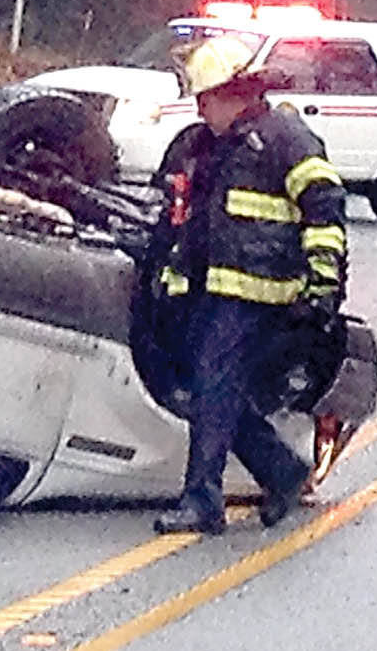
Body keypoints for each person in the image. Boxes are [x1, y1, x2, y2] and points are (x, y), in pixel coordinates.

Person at [145, 33, 350, 535]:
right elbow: (192, 225)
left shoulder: (285, 138)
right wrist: (172, 280)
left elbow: (324, 210)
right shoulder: (209, 147)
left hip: (262, 292)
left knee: (214, 385)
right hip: (213, 292)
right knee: (212, 389)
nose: (200, 109)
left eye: (206, 99)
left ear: (236, 93)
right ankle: (282, 470)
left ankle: (202, 502)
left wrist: (323, 285)